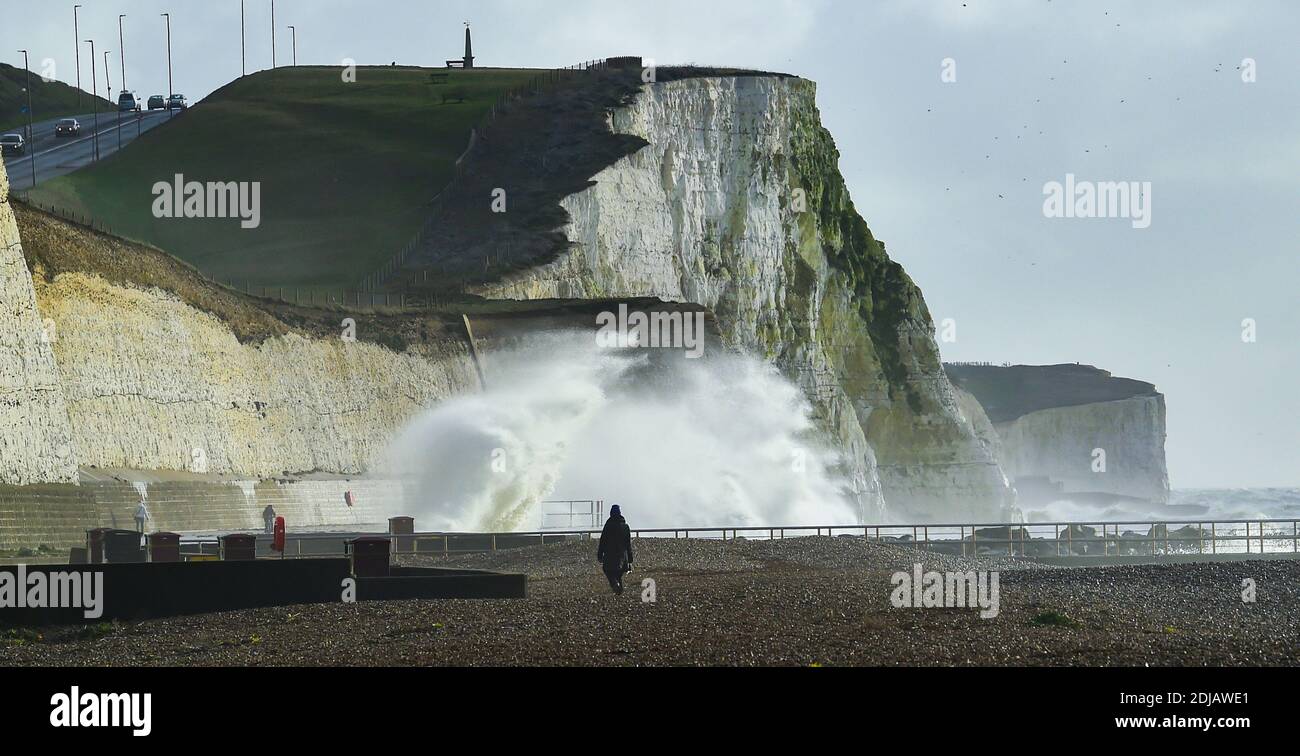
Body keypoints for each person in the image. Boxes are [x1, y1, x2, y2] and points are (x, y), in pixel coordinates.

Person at [596, 505, 634, 595]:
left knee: (608, 570)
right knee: (618, 573)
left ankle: (615, 585)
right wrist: (630, 557)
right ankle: (619, 590)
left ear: (611, 514)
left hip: (610, 554)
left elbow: (603, 541)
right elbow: (628, 544)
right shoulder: (625, 526)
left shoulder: (608, 526)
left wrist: (600, 554)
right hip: (622, 556)